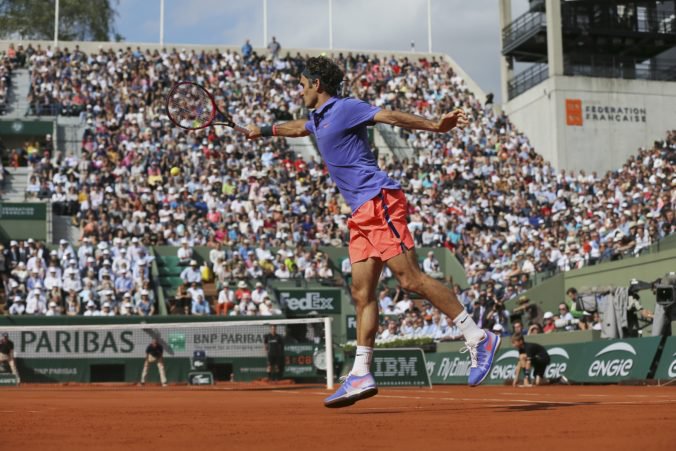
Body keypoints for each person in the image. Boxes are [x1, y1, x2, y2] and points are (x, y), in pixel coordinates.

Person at [247, 56, 499, 408]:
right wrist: (262, 130)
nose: (298, 89)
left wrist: (435, 126)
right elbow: (298, 128)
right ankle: (361, 372)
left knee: (410, 280)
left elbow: (390, 116)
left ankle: (477, 336)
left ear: (317, 84)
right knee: (361, 293)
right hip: (360, 214)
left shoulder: (347, 108)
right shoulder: (318, 120)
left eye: (302, 84)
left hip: (379, 200)